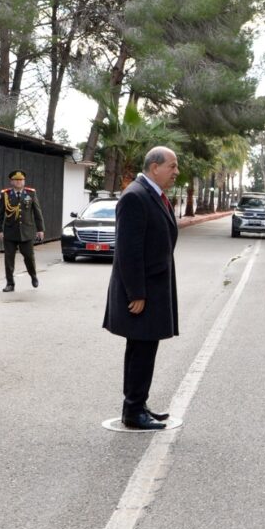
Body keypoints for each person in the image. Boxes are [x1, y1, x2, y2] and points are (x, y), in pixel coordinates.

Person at [103, 146, 181, 431]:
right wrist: (136, 292)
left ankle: (137, 404)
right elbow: (128, 250)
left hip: (154, 286)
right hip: (143, 291)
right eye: (172, 166)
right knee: (142, 349)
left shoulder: (152, 194)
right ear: (154, 167)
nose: (176, 172)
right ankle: (134, 410)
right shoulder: (136, 196)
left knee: (143, 348)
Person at [0, 170, 45, 291]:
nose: (19, 182)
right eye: (16, 180)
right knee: (9, 260)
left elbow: (37, 213)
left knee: (29, 257)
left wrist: (40, 229)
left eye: (21, 180)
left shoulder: (31, 194)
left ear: (24, 181)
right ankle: (10, 284)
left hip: (26, 232)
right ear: (11, 181)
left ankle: (33, 276)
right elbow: (0, 214)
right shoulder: (5, 194)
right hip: (10, 232)